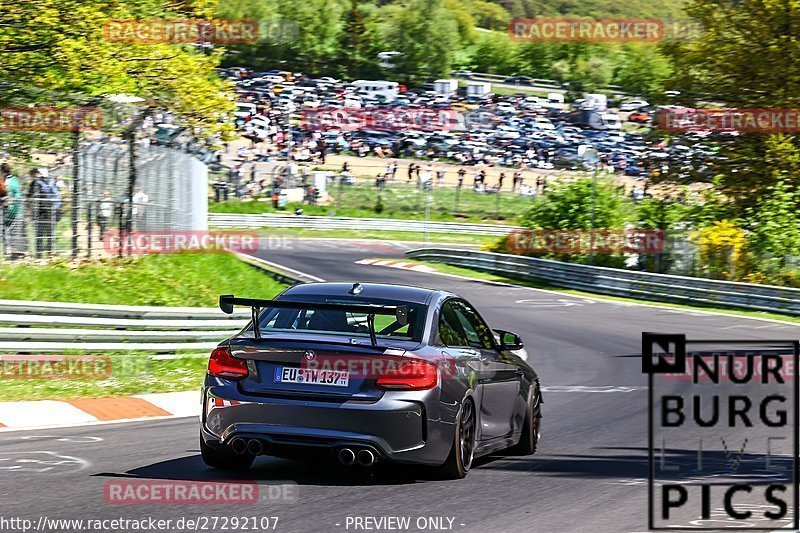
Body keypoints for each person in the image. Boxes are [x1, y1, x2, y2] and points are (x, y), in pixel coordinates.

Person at [1, 163, 24, 259]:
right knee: (8, 231)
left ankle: (9, 251)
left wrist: (8, 202)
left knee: (6, 230)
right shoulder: (15, 180)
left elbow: (7, 193)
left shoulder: (7, 181)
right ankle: (10, 251)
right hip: (16, 209)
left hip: (10, 209)